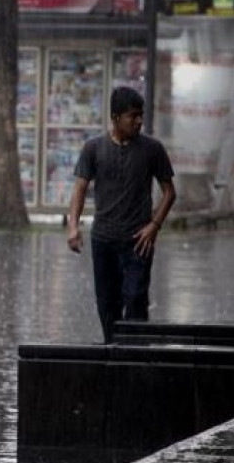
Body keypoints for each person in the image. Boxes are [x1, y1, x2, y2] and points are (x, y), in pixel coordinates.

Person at [67, 86, 176, 343]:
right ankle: (113, 350)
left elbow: (169, 192)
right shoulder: (94, 148)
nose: (139, 121)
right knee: (107, 302)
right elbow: (80, 189)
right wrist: (73, 227)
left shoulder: (152, 149)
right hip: (103, 239)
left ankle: (135, 356)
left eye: (141, 115)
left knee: (136, 297)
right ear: (115, 118)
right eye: (133, 116)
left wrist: (154, 225)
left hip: (139, 240)